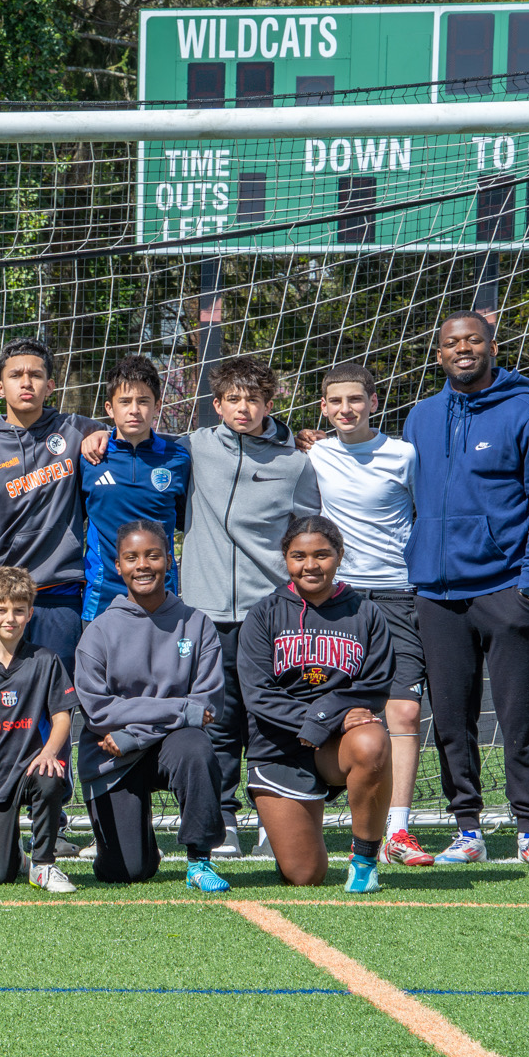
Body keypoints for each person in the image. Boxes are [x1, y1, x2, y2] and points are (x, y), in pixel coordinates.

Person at [405, 311, 529, 866]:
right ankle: (467, 828)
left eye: (473, 339)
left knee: (519, 715)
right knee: (451, 718)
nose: (463, 349)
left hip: (505, 589)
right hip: (436, 594)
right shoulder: (421, 417)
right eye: (452, 342)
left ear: (492, 347)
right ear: (439, 354)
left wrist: (528, 584)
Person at [175, 356, 320, 855]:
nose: (242, 408)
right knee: (217, 720)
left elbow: (307, 535)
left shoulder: (297, 462)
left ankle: (274, 819)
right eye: (232, 399)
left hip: (270, 615)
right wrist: (94, 433)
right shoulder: (193, 449)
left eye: (252, 399)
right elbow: (139, 436)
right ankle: (222, 822)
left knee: (272, 720)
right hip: (205, 612)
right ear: (216, 405)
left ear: (269, 404)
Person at [308, 362, 431, 866]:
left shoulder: (403, 455)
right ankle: (297, 815)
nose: (345, 409)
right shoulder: (315, 453)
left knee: (402, 710)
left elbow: (428, 520)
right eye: (335, 401)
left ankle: (398, 831)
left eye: (355, 400)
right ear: (323, 407)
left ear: (373, 402)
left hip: (398, 597)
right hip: (343, 601)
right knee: (322, 704)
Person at [239, 518, 395, 892]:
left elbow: (373, 688)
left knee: (372, 741)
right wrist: (314, 721)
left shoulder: (366, 613)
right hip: (279, 747)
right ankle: (289, 836)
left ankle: (364, 861)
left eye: (322, 555)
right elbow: (258, 693)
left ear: (339, 556)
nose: (311, 565)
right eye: (299, 556)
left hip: (336, 744)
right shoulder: (263, 614)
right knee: (306, 875)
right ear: (286, 559)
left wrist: (324, 721)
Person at [74, 521, 229, 893]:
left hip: (160, 746)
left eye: (152, 555)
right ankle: (138, 845)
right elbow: (99, 712)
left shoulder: (198, 624)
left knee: (196, 745)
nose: (142, 565)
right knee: (125, 872)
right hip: (112, 756)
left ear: (169, 561)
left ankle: (198, 860)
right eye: (132, 557)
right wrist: (176, 711)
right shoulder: (97, 631)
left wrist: (132, 736)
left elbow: (206, 706)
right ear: (118, 566)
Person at [0, 338, 105, 670]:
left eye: (36, 375)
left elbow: (127, 432)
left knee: (58, 701)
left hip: (60, 593)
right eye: (16, 375)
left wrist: (103, 434)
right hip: (4, 597)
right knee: (6, 707)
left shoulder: (76, 430)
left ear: (50, 385)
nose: (26, 382)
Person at [0, 567, 78, 893]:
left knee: (51, 775)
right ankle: (17, 860)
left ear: (30, 613)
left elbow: (63, 716)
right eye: (2, 610)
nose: (11, 618)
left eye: (19, 611)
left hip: (31, 768)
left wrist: (49, 752)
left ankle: (43, 864)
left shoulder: (46, 660)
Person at [79, 355, 191, 622]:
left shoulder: (178, 459)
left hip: (161, 596)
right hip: (101, 599)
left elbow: (187, 521)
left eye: (143, 401)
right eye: (125, 402)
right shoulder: (89, 458)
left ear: (157, 406)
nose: (134, 410)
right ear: (109, 408)